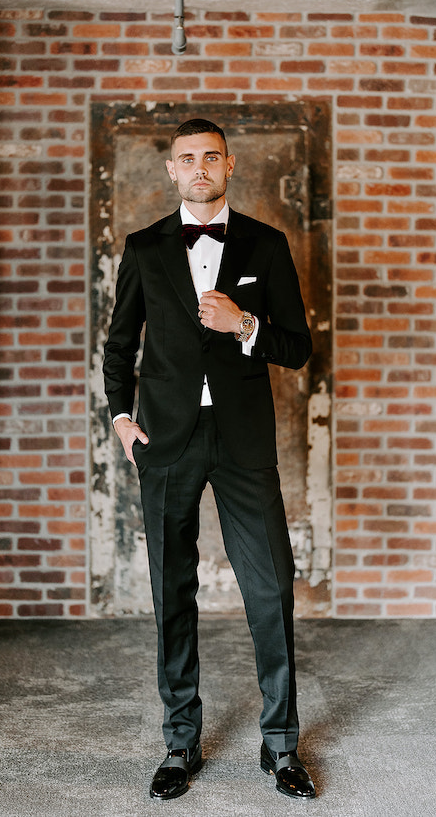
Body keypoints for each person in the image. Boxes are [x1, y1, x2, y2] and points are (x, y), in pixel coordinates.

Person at [103, 118, 316, 800]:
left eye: (211, 158)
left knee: (271, 587)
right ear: (171, 170)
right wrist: (120, 417)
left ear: (230, 165)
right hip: (164, 440)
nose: (200, 168)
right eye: (187, 158)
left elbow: (297, 347)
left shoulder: (266, 244)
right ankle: (180, 741)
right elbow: (119, 344)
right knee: (173, 591)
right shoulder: (143, 247)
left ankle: (280, 744)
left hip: (243, 438)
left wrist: (245, 324)